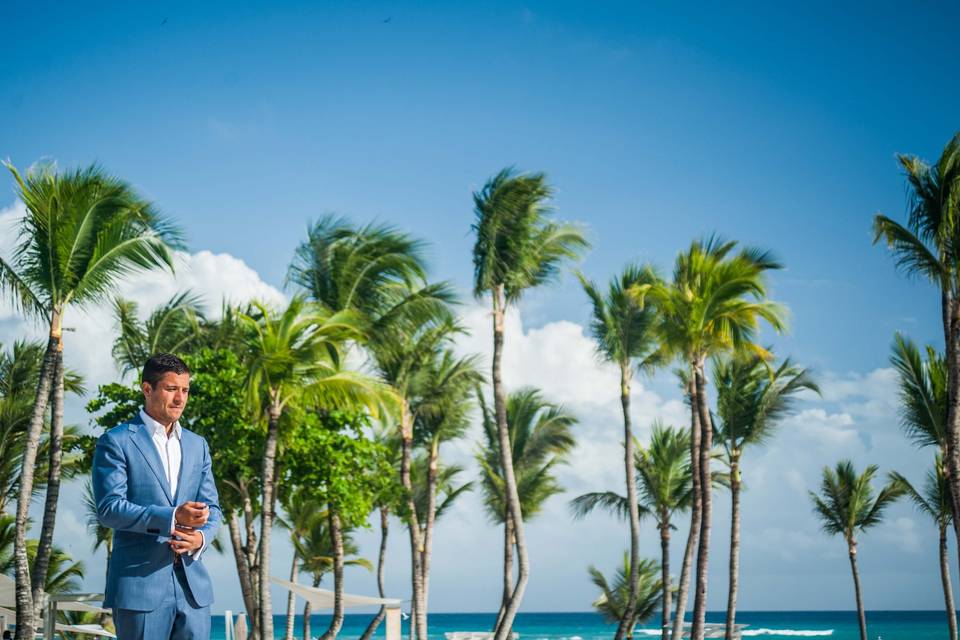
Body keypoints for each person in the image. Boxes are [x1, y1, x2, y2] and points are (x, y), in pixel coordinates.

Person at [93, 353, 222, 639]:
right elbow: (109, 508)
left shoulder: (197, 445)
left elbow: (213, 508)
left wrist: (201, 537)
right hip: (140, 587)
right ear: (147, 389)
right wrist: (173, 517)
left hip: (193, 589)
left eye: (185, 390)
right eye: (171, 389)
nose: (180, 398)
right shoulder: (116, 441)